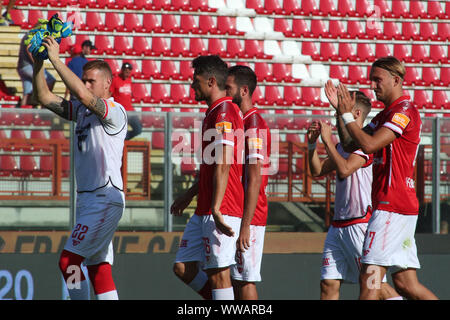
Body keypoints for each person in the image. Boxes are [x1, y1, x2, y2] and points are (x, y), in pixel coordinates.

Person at [334, 56, 438, 300]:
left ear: (396, 79)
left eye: (377, 79)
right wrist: (341, 114)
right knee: (405, 284)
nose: (373, 85)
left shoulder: (404, 110)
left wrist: (348, 116)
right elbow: (352, 145)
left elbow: (369, 144)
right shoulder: (383, 116)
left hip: (392, 206)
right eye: (371, 80)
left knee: (369, 278)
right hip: (397, 207)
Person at [32, 36, 128, 300]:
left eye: (90, 80)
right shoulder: (82, 112)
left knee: (69, 262)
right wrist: (39, 64)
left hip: (104, 198)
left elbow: (85, 97)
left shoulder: (114, 111)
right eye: (83, 79)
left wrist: (56, 59)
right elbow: (43, 96)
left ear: (108, 83)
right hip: (89, 200)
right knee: (99, 269)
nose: (85, 84)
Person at [308, 90, 402, 300]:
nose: (335, 116)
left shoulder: (366, 144)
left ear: (356, 114)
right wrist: (312, 144)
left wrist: (328, 142)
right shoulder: (343, 146)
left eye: (340, 112)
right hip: (338, 226)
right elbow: (316, 171)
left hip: (360, 224)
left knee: (375, 285)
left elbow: (345, 169)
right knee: (328, 284)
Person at [171, 55, 245, 300]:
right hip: (205, 207)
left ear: (211, 81)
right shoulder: (213, 113)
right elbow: (212, 166)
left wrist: (216, 206)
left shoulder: (224, 112)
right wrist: (190, 195)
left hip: (222, 206)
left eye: (196, 80)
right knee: (183, 267)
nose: (192, 86)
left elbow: (224, 162)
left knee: (218, 274)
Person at [224, 65, 270, 300]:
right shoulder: (239, 121)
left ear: (243, 91)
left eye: (228, 87)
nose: (224, 91)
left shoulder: (254, 125)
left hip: (249, 216)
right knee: (232, 279)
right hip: (237, 212)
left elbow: (254, 178)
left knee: (245, 280)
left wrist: (246, 224)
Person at [17, 28, 56, 106]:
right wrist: (37, 61)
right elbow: (29, 48)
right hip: (28, 66)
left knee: (27, 93)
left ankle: (23, 114)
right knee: (50, 80)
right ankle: (44, 103)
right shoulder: (32, 35)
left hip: (22, 67)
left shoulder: (27, 35)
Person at [110, 62, 142, 140]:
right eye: (125, 71)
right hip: (120, 111)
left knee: (138, 129)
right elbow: (109, 94)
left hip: (130, 111)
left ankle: (123, 138)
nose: (127, 73)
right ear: (122, 70)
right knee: (119, 129)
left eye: (129, 71)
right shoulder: (115, 80)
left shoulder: (129, 80)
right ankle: (120, 139)